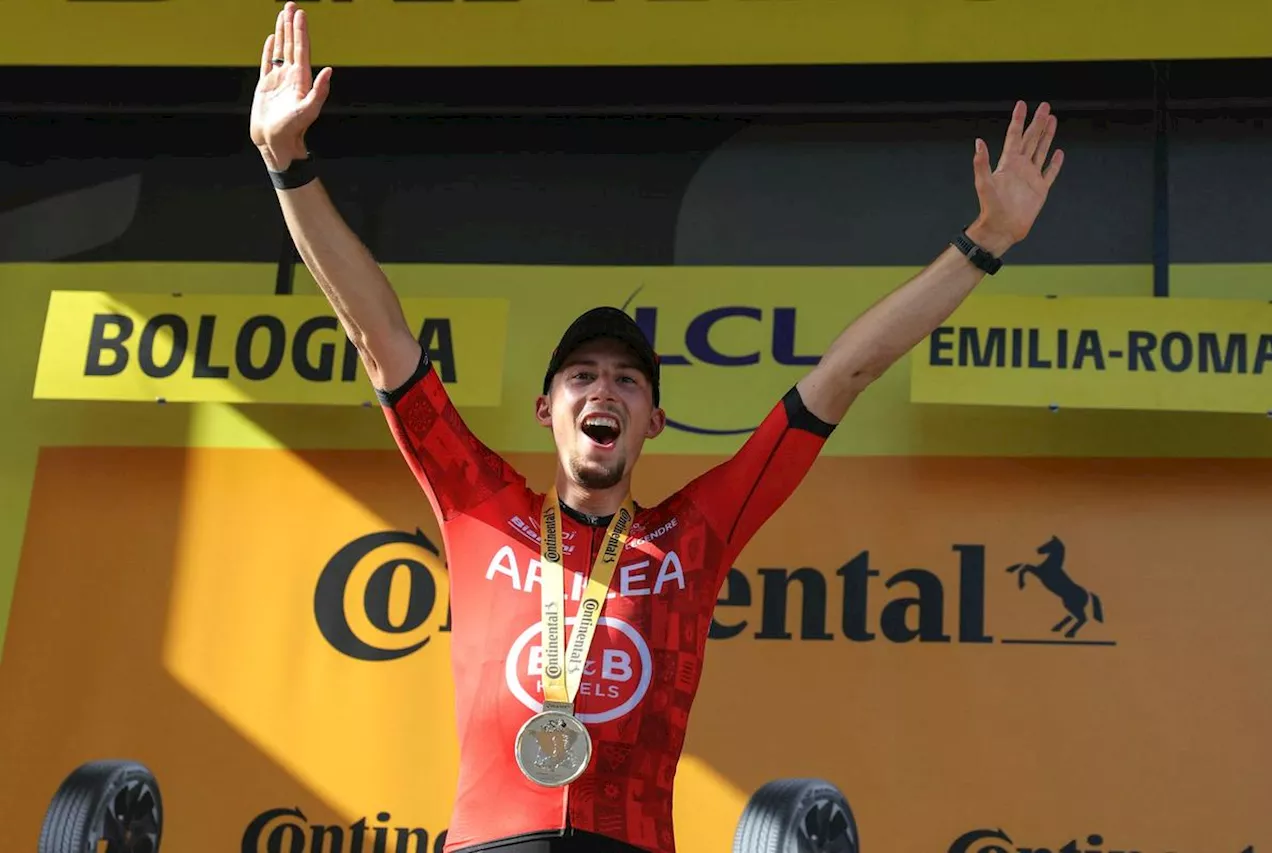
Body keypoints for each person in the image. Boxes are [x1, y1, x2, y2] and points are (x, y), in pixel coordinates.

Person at [249, 5, 1065, 852]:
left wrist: (985, 241)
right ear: (547, 409)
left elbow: (843, 375)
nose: (604, 389)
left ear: (652, 419)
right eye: (582, 375)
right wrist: (286, 165)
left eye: (627, 380)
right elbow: (378, 334)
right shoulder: (479, 503)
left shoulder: (693, 532)